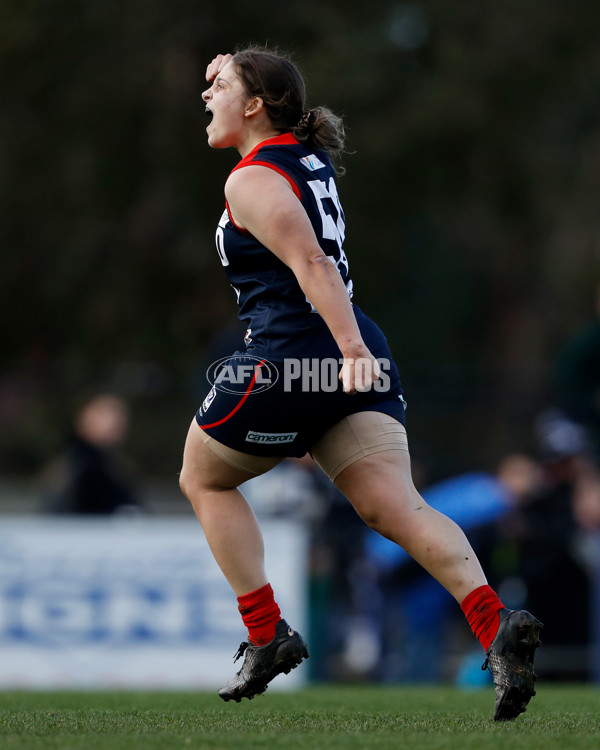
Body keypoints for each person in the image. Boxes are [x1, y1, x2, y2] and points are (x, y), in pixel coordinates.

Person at [178, 47, 542, 719]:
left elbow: (311, 261)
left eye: (221, 87)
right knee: (396, 508)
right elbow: (317, 252)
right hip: (354, 346)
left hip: (298, 352)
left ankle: (266, 634)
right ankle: (495, 626)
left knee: (204, 478)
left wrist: (346, 351)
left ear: (255, 106)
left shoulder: (250, 180)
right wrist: (237, 63)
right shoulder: (303, 157)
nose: (206, 96)